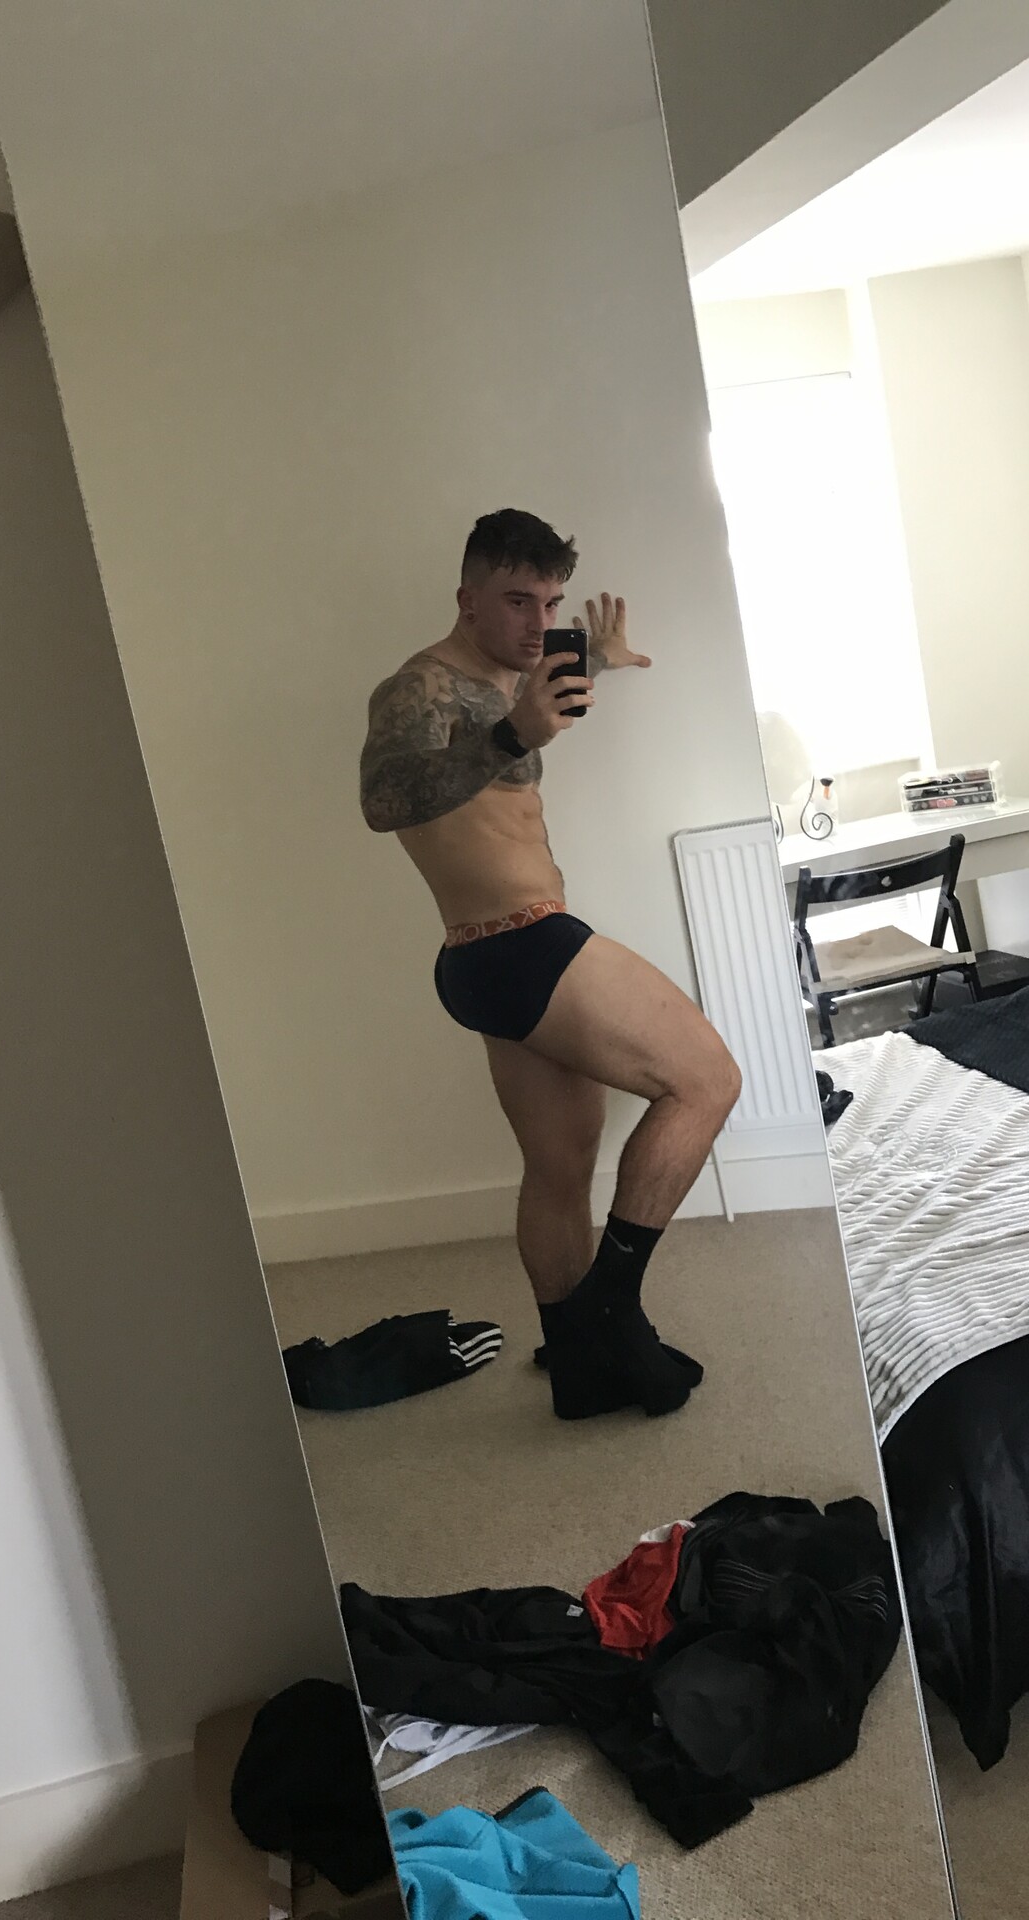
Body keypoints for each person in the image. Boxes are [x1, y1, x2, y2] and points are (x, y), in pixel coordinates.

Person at [359, 509, 741, 1420]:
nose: (539, 623)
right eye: (517, 601)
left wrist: (595, 660)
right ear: (468, 598)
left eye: (552, 602)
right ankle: (611, 1310)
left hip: (494, 958)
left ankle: (578, 1366)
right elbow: (385, 801)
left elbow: (518, 728)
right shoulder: (418, 688)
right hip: (519, 944)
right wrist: (512, 735)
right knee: (707, 1081)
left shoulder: (517, 677)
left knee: (561, 1166)